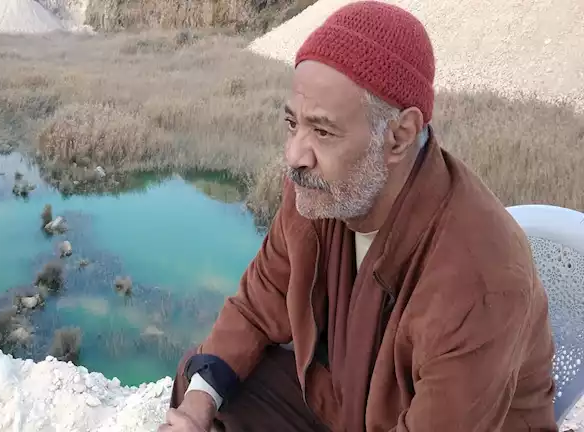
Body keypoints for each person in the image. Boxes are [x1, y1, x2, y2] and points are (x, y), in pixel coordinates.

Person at [157, 1, 559, 431]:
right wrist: (197, 408)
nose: (294, 155)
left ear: (399, 136)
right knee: (206, 381)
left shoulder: (480, 279)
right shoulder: (319, 195)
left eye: (323, 131)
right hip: (353, 406)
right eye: (292, 124)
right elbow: (259, 305)